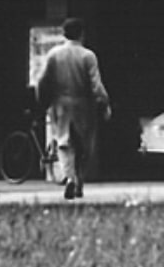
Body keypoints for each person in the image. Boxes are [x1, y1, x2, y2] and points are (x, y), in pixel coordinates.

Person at [36, 18, 111, 200]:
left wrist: (42, 101)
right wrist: (105, 102)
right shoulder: (88, 56)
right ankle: (79, 181)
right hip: (84, 105)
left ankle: (69, 178)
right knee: (84, 146)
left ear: (64, 33)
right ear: (82, 34)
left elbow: (42, 81)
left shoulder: (54, 54)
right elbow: (96, 84)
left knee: (64, 144)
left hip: (60, 105)